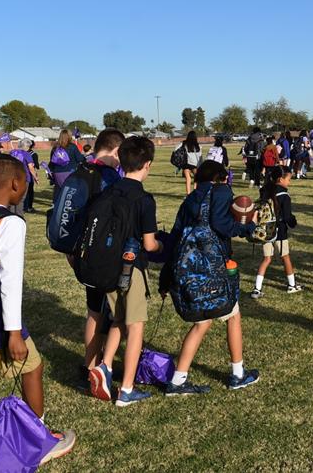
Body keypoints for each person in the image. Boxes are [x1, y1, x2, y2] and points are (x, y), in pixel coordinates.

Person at [0, 155, 76, 458]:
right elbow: (10, 280)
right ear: (16, 184)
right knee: (33, 367)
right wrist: (14, 332)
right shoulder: (10, 222)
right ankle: (39, 441)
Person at [159, 160, 260, 394]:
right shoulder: (221, 190)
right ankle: (238, 374)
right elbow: (222, 225)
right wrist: (248, 227)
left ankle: (178, 380)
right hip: (214, 268)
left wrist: (166, 277)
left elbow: (175, 239)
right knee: (232, 315)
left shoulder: (190, 199)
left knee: (201, 323)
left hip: (190, 270)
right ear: (220, 177)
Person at [88, 137, 164, 407]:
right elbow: (149, 244)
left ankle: (105, 365)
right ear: (148, 164)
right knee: (136, 326)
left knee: (118, 318)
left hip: (108, 268)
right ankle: (127, 390)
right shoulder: (144, 199)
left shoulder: (108, 191)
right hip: (132, 269)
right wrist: (163, 244)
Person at [72, 129, 126, 386]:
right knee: (114, 313)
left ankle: (88, 365)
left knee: (94, 311)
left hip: (80, 253)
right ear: (116, 151)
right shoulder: (109, 178)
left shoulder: (81, 171)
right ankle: (100, 367)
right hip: (104, 254)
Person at [250, 166, 302, 299]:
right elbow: (287, 216)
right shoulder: (284, 195)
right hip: (280, 231)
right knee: (285, 257)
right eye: (288, 179)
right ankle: (292, 285)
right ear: (281, 179)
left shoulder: (265, 191)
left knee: (267, 258)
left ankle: (257, 288)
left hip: (265, 231)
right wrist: (293, 222)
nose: (289, 182)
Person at [8, 138, 39, 214]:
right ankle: (19, 215)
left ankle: (11, 213)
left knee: (13, 196)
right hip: (23, 178)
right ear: (27, 146)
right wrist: (36, 177)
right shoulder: (27, 154)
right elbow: (31, 168)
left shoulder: (12, 152)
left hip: (12, 177)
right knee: (21, 198)